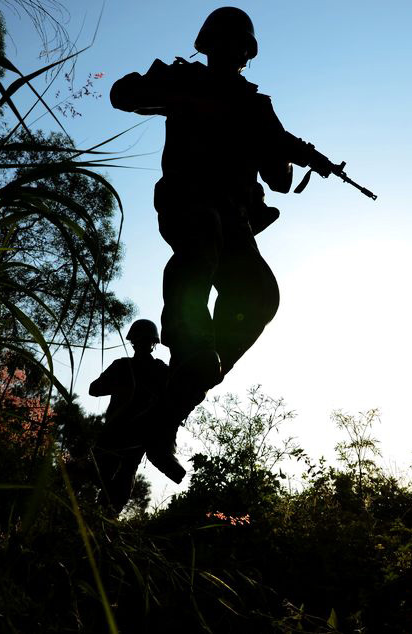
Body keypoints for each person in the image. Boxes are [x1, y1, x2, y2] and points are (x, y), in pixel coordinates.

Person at [110, 7, 334, 484]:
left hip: (235, 218)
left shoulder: (257, 105)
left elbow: (276, 176)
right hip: (189, 200)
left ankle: (180, 397)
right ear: (208, 43)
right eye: (225, 42)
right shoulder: (183, 79)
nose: (233, 52)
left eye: (241, 46)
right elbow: (123, 94)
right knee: (201, 244)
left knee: (260, 295)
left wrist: (295, 154)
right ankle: (191, 347)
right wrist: (186, 100)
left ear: (247, 53)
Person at [88, 319, 168, 514]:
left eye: (143, 340)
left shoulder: (158, 370)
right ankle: (103, 512)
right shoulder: (124, 367)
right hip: (120, 431)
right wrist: (123, 385)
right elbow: (94, 389)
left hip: (136, 433)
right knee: (108, 473)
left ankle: (107, 514)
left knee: (123, 473)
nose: (140, 344)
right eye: (139, 340)